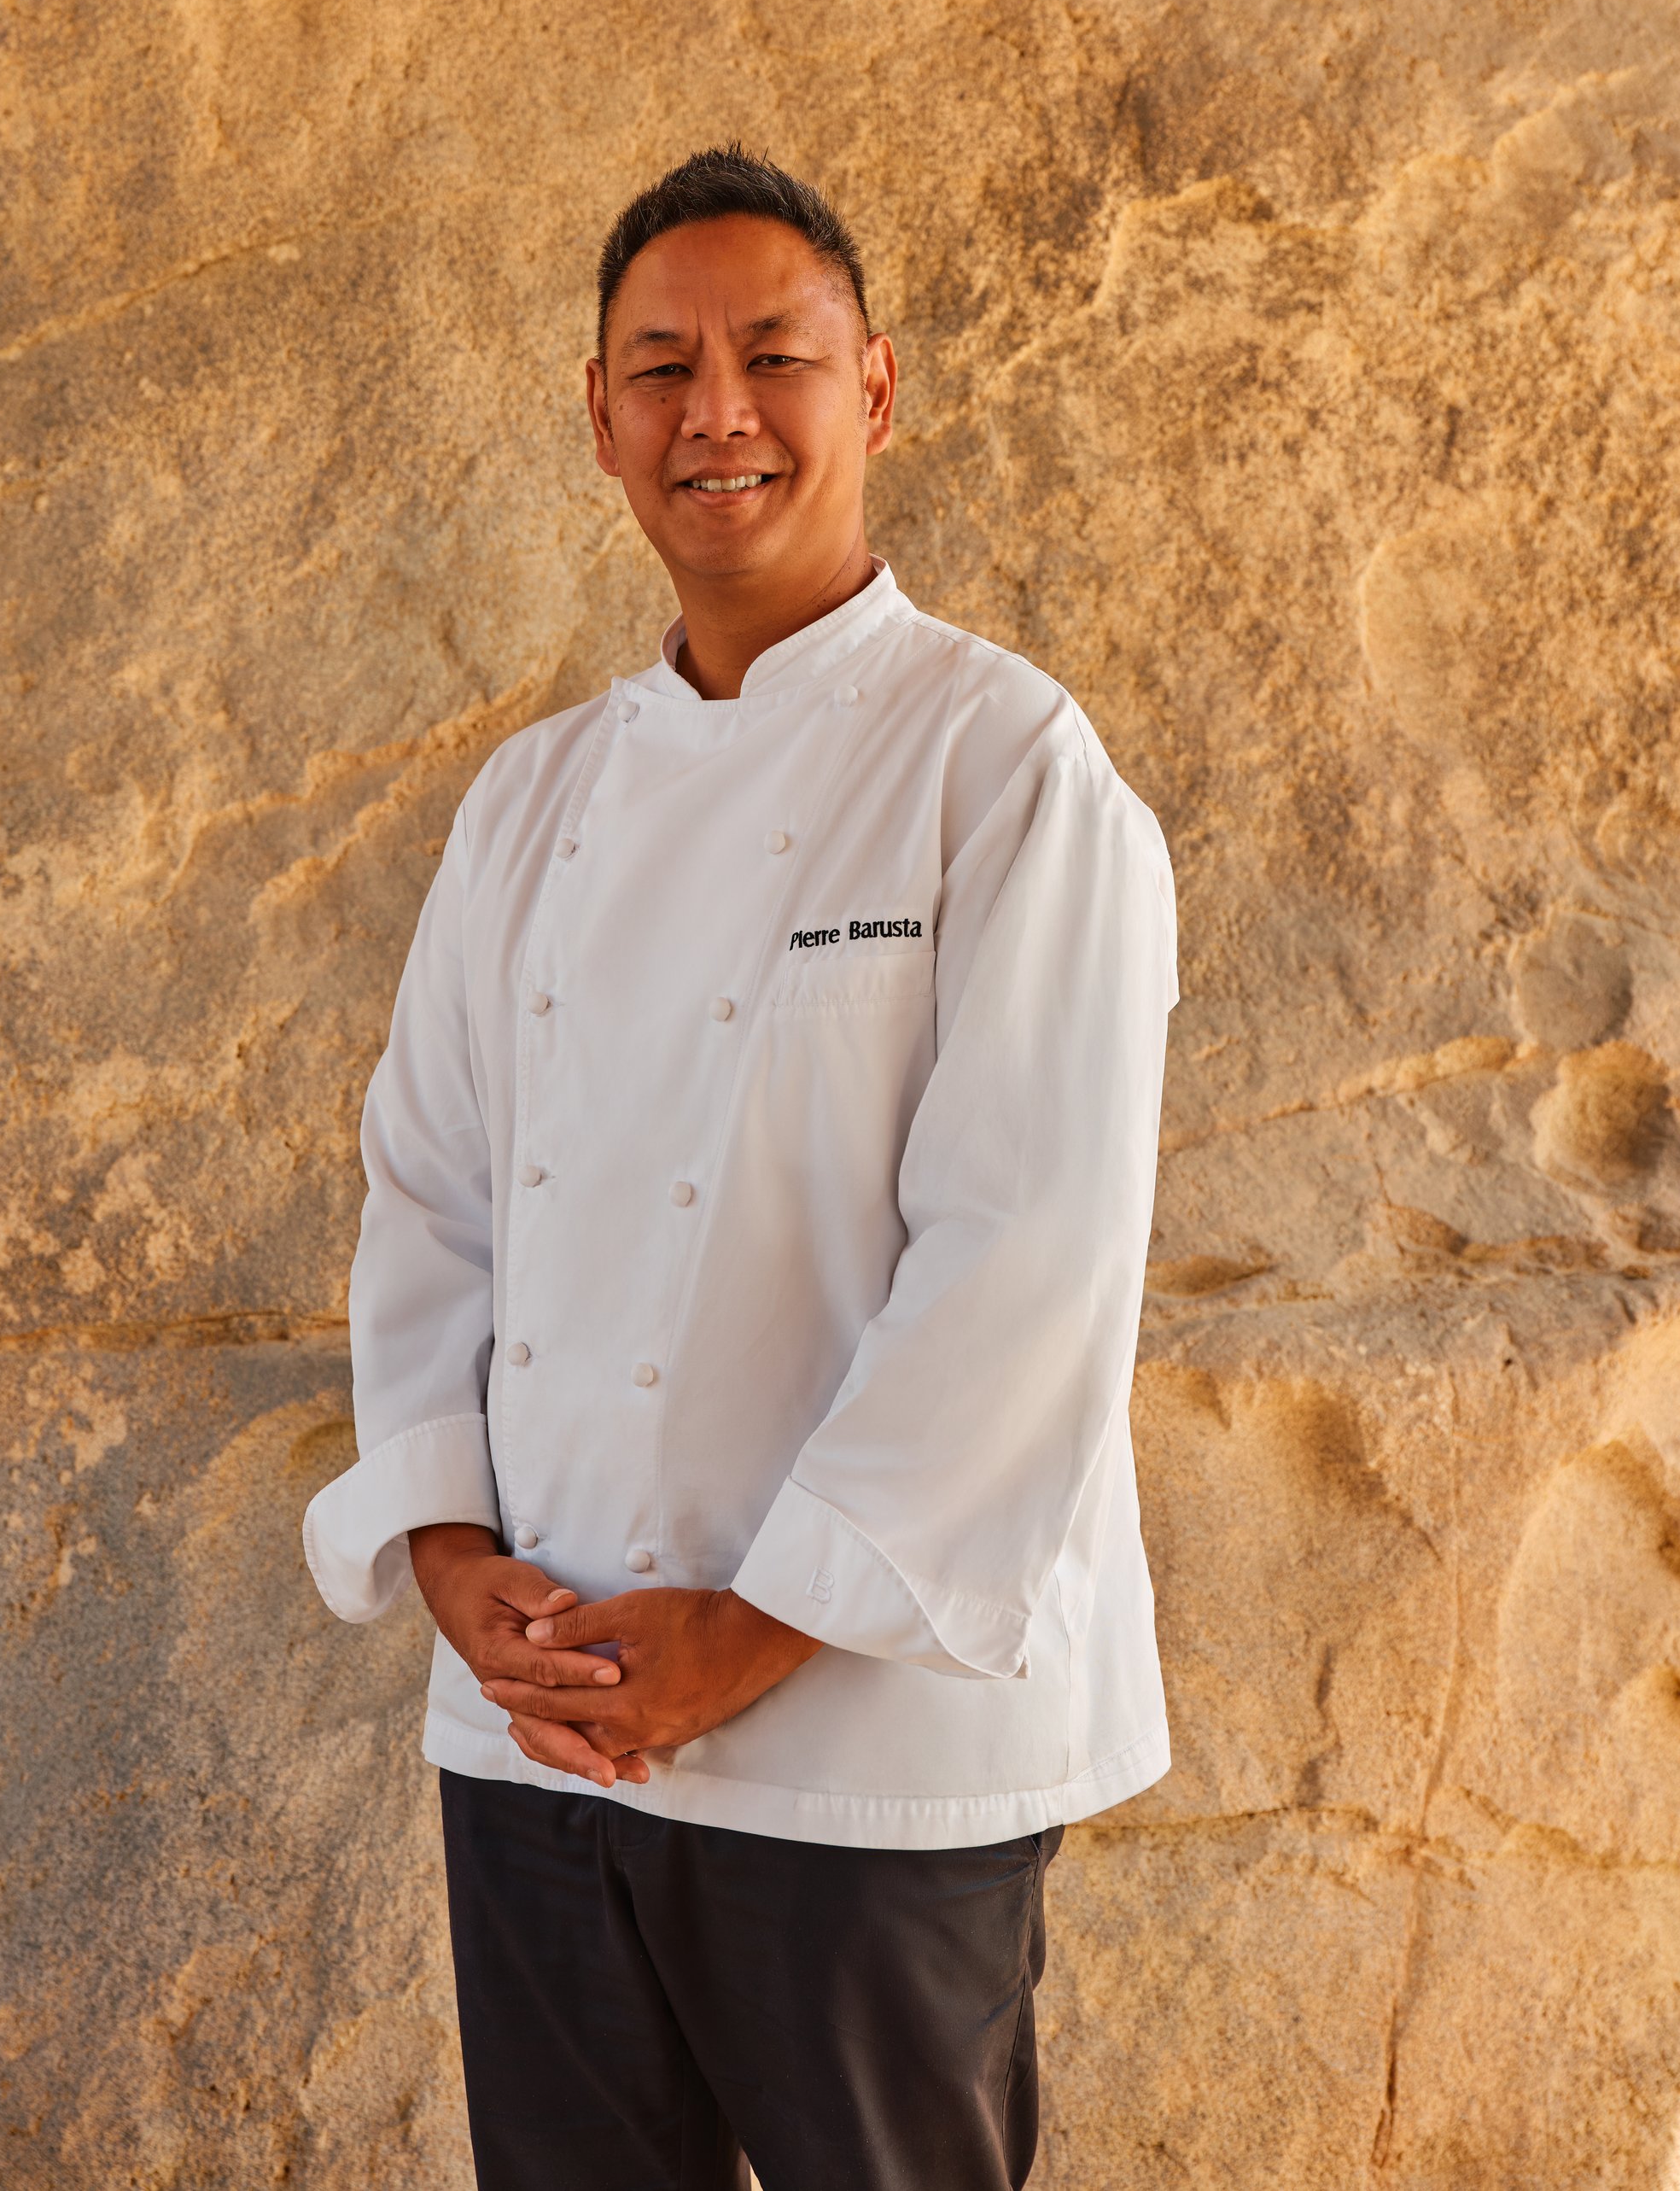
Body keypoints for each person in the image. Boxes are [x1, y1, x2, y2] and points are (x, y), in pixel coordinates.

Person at [301, 145, 1178, 2191]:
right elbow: (428, 1195)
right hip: (542, 1724)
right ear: (596, 416)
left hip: (863, 1744)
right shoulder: (528, 801)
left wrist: (750, 1628)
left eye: (771, 354)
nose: (717, 410)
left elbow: (1028, 1252)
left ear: (871, 387)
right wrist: (455, 1562)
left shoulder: (1003, 766)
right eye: (660, 365)